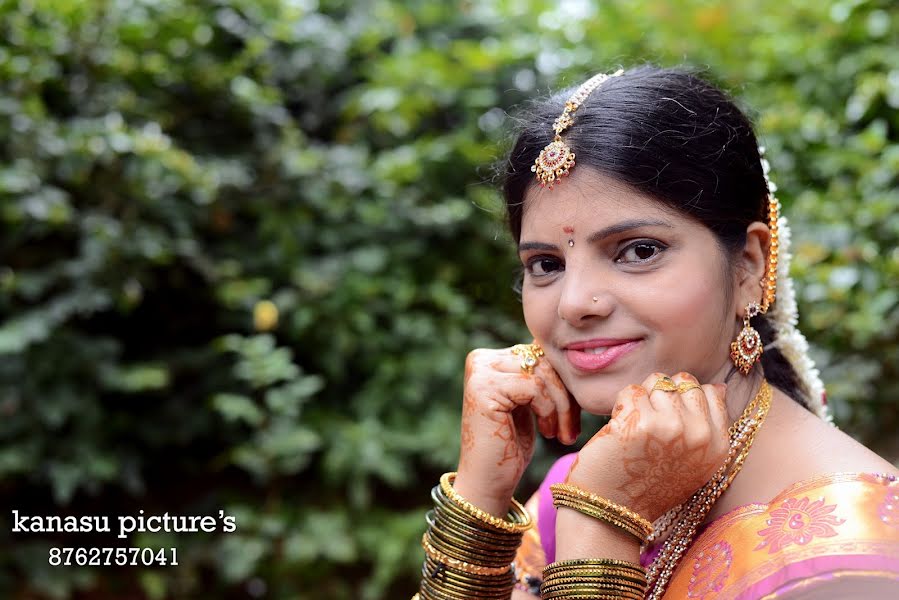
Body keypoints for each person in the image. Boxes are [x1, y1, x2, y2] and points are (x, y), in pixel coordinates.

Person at [413, 65, 899, 600]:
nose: (575, 304)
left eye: (639, 251)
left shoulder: (851, 557)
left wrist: (600, 527)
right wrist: (481, 497)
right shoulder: (590, 482)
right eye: (546, 264)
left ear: (748, 266)